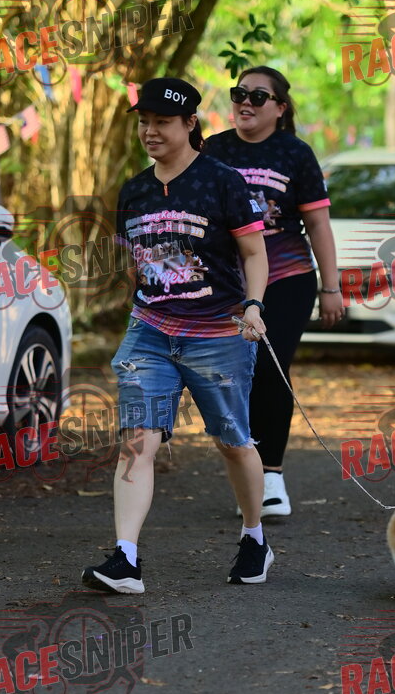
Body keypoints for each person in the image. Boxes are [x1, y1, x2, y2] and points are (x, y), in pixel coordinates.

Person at [82, 77, 272, 594]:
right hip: (150, 331)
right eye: (144, 122)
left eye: (162, 122)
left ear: (190, 124)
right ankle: (125, 559)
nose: (150, 131)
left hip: (218, 333)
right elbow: (136, 263)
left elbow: (254, 254)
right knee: (136, 441)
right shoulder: (135, 190)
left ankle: (254, 537)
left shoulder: (223, 181)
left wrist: (254, 305)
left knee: (232, 442)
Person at [204, 66, 343, 517]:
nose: (246, 102)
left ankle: (272, 476)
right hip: (228, 283)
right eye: (239, 93)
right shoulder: (214, 149)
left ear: (280, 108)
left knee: (269, 365)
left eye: (258, 96)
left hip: (287, 277)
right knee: (235, 374)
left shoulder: (295, 153)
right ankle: (248, 473)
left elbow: (318, 224)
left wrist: (331, 287)